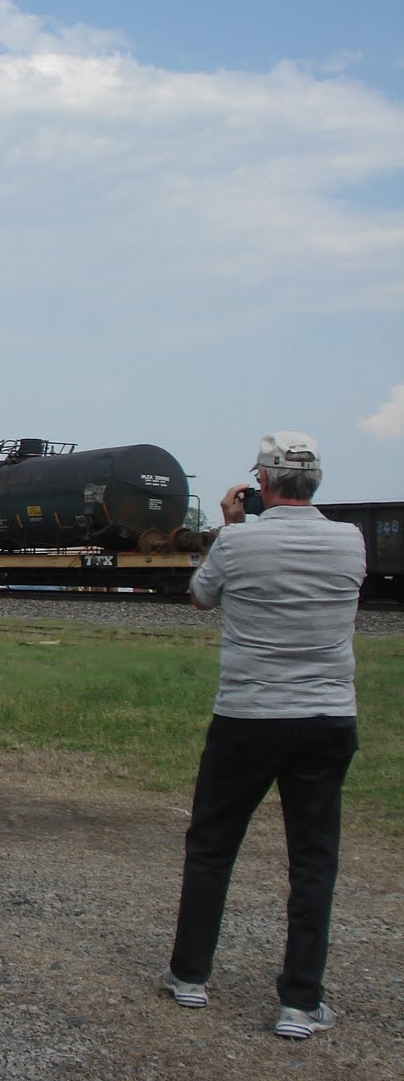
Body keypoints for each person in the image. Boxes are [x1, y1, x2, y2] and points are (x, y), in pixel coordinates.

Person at [161, 431, 368, 1040]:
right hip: (328, 717)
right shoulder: (351, 540)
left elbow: (200, 598)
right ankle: (300, 1004)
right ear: (317, 482)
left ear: (262, 484)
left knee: (212, 847)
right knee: (312, 859)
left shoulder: (241, 540)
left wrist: (231, 528)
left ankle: (190, 976)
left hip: (248, 717)